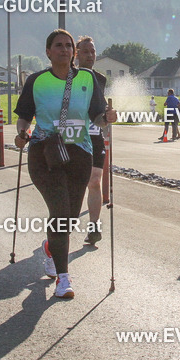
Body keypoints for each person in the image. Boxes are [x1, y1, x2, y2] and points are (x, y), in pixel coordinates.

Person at [14, 29, 116, 299]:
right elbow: (24, 115)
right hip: (44, 153)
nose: (64, 50)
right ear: (48, 51)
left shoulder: (87, 78)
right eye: (58, 46)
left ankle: (51, 246)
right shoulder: (36, 81)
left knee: (69, 217)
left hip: (79, 155)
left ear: (74, 52)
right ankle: (63, 277)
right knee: (60, 211)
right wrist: (22, 132)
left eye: (68, 46)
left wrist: (108, 118)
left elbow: (96, 116)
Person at [76, 35, 107, 246]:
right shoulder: (68, 76)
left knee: (95, 180)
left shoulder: (100, 79)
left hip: (95, 134)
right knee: (74, 185)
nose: (90, 55)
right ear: (76, 54)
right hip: (72, 136)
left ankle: (94, 227)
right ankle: (61, 227)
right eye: (85, 51)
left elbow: (100, 108)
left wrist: (108, 117)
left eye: (93, 51)